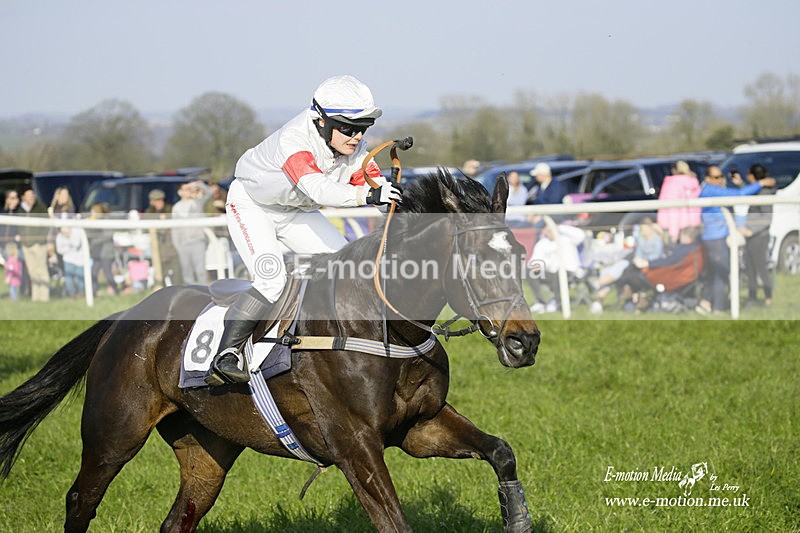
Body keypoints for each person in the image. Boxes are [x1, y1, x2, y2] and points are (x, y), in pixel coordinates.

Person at [205, 74, 400, 386]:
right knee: (272, 280)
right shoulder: (295, 140)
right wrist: (366, 196)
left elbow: (374, 186)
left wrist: (399, 203)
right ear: (320, 121)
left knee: (349, 266)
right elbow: (319, 190)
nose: (356, 136)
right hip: (252, 205)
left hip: (294, 210)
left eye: (363, 127)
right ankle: (226, 355)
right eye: (348, 128)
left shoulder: (355, 150)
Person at [695, 165, 775, 314]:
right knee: (723, 272)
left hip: (717, 238)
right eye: (716, 177)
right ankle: (716, 306)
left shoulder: (713, 190)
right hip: (715, 239)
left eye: (721, 177)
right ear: (708, 179)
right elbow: (739, 194)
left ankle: (708, 303)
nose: (720, 180)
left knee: (717, 272)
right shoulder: (711, 190)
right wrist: (761, 183)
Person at [737, 163, 776, 308]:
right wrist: (741, 184)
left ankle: (768, 297)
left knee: (761, 268)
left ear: (753, 176)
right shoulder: (759, 190)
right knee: (750, 269)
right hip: (752, 236)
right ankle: (752, 298)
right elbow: (748, 194)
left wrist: (751, 230)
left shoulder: (765, 194)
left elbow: (767, 218)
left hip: (759, 236)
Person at [527, 224, 584, 313]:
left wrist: (561, 227)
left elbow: (581, 235)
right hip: (551, 274)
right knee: (529, 272)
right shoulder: (542, 244)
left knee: (560, 272)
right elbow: (534, 260)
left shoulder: (567, 239)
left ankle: (556, 301)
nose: (550, 232)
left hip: (570, 273)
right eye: (548, 230)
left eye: (552, 229)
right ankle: (540, 302)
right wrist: (536, 265)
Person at [171, 180, 212, 286]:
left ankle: (205, 296)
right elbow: (174, 229)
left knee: (201, 271)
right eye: (185, 189)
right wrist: (178, 246)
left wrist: (196, 185)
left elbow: (209, 192)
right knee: (187, 274)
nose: (188, 191)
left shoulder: (197, 202)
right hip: (183, 245)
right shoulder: (176, 208)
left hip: (197, 242)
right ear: (180, 192)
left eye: (189, 189)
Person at [18, 188, 50, 302]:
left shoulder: (41, 207)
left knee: (41, 269)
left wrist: (40, 240)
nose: (31, 197)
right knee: (32, 271)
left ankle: (44, 297)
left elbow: (46, 225)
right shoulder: (21, 210)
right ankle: (35, 297)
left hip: (39, 244)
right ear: (23, 197)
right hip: (26, 245)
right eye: (28, 195)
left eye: (32, 195)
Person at [144, 189, 181, 285]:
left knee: (177, 276)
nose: (159, 203)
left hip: (172, 248)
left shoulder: (170, 210)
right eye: (156, 201)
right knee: (160, 276)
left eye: (160, 200)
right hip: (159, 251)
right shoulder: (149, 212)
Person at [87, 203, 120, 295]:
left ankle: (116, 290)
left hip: (106, 253)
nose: (91, 213)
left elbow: (108, 235)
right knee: (93, 273)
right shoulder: (94, 222)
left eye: (93, 211)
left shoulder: (106, 221)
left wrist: (94, 242)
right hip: (97, 253)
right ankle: (93, 291)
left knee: (108, 273)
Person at [55, 225, 86, 298]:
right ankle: (72, 294)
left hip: (80, 260)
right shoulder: (59, 236)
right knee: (68, 279)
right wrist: (68, 248)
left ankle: (82, 294)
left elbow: (76, 244)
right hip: (68, 260)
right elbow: (59, 250)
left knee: (80, 279)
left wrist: (68, 238)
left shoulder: (76, 231)